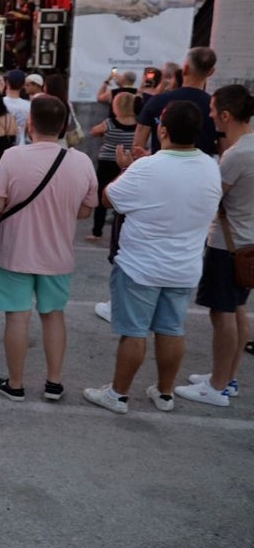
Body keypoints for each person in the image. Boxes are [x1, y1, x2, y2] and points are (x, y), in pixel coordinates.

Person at [83, 101, 221, 414]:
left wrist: (126, 169)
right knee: (172, 330)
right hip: (184, 266)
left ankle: (117, 395)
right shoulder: (211, 166)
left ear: (162, 130)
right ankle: (165, 392)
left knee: (133, 332)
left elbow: (109, 198)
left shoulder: (147, 167)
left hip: (140, 266)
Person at [0, 94, 97, 402]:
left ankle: (16, 383)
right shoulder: (81, 161)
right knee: (53, 315)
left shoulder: (12, 157)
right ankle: (53, 382)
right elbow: (87, 211)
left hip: (13, 253)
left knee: (17, 318)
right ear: (63, 125)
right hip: (58, 256)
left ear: (31, 122)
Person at [180, 85, 254, 407]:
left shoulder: (237, 155)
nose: (209, 116)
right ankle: (227, 378)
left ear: (226, 115)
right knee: (237, 311)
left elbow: (212, 196)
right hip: (248, 243)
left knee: (222, 314)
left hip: (228, 244)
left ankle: (217, 385)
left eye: (213, 111)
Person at [133, 47, 218, 155]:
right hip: (200, 169)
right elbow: (223, 148)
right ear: (211, 72)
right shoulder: (215, 107)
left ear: (185, 69)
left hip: (161, 168)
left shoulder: (157, 101)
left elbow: (137, 145)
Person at [87, 91, 137, 241]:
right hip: (127, 163)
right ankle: (122, 231)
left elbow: (93, 131)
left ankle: (97, 232)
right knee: (125, 197)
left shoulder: (109, 123)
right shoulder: (137, 124)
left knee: (102, 195)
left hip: (106, 162)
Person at [2, 69, 31, 145]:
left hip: (3, 146)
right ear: (23, 85)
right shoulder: (29, 105)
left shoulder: (0, 103)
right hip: (22, 145)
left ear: (7, 83)